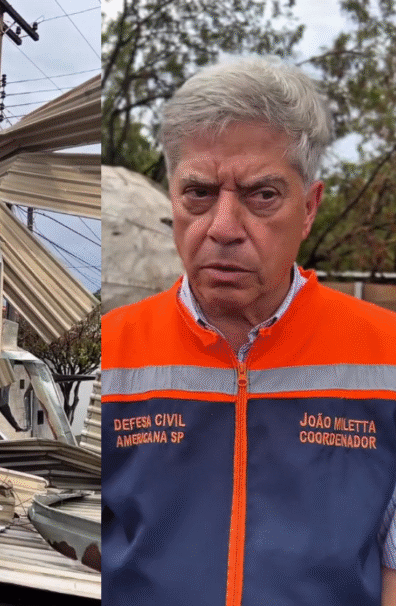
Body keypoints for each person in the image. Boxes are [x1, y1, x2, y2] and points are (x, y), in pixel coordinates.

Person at [102, 57, 396, 605]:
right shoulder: (113, 351)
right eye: (199, 193)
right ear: (172, 195)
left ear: (309, 208)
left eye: (262, 195)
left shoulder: (386, 354)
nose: (223, 229)